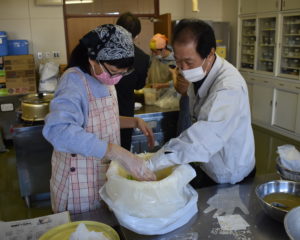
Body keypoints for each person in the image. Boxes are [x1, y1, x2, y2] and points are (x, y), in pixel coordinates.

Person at [43, 24, 156, 214]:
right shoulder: (73, 81)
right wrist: (116, 152)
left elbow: (101, 119)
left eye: (123, 73)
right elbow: (58, 130)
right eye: (114, 71)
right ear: (93, 58)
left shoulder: (104, 78)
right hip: (79, 184)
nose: (117, 78)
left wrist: (134, 121)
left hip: (103, 176)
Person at [147, 19, 255, 186]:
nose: (182, 69)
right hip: (209, 164)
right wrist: (183, 91)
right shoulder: (198, 72)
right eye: (178, 61)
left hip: (230, 174)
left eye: (188, 62)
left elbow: (201, 139)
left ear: (210, 54)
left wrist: (152, 163)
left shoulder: (228, 88)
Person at [115, 12, 150, 150]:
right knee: (122, 151)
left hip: (100, 109)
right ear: (137, 35)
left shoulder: (102, 51)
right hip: (125, 109)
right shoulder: (142, 58)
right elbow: (139, 85)